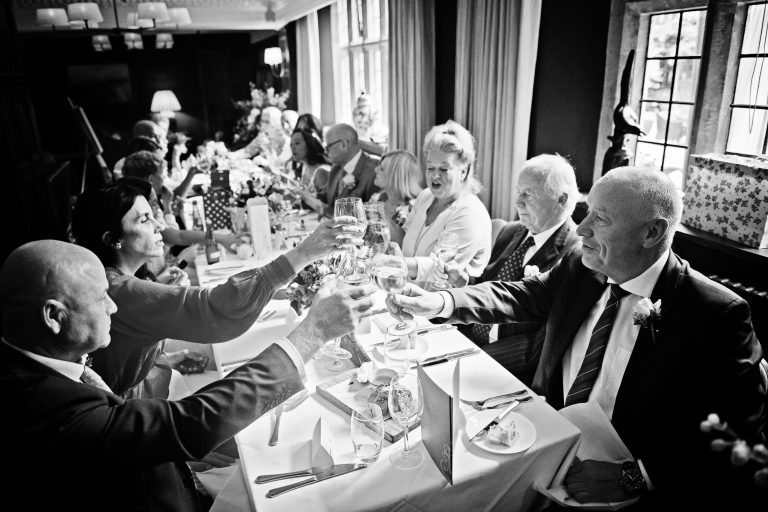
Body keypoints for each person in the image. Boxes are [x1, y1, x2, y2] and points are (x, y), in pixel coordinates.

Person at [390, 167, 765, 510]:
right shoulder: (582, 266)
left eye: (600, 219)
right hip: (546, 443)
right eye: (587, 212)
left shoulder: (715, 314)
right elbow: (522, 295)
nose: (581, 228)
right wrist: (439, 300)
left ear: (652, 232)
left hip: (626, 481)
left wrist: (635, 477)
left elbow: (740, 435)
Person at [0, 239, 376, 511]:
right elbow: (189, 424)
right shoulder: (41, 409)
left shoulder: (35, 363)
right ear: (53, 317)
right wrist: (309, 335)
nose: (114, 306)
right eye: (101, 298)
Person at [70, 179, 345, 398]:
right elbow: (215, 309)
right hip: (141, 411)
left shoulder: (115, 279)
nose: (158, 226)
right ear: (112, 239)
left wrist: (275, 290)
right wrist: (305, 252)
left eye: (153, 216)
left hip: (155, 382)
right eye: (143, 220)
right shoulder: (120, 291)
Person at [457, 154, 581, 385]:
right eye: (518, 192)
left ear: (561, 199)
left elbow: (541, 343)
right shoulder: (511, 232)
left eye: (529, 194)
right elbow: (487, 289)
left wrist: (475, 361)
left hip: (508, 374)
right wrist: (462, 283)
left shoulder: (574, 255)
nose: (518, 202)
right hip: (467, 348)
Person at [401, 120, 491, 288]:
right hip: (406, 295)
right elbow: (405, 244)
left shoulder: (470, 212)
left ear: (463, 171)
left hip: (444, 308)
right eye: (430, 168)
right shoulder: (425, 196)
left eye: (443, 169)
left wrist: (393, 265)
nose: (435, 176)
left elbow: (439, 269)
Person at [121, 152, 241, 252]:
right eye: (163, 174)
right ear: (151, 179)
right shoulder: (145, 206)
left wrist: (169, 208)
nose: (165, 177)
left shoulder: (147, 198)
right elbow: (176, 236)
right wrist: (221, 238)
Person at [319, 123, 381, 215]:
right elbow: (324, 197)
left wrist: (319, 207)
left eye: (328, 147)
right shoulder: (336, 168)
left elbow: (366, 216)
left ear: (343, 144)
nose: (326, 151)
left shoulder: (373, 172)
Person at [369, 150, 424, 245]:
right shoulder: (377, 198)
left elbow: (404, 246)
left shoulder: (414, 207)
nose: (375, 169)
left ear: (396, 176)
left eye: (382, 168)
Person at [290, 128, 331, 214]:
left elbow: (328, 207)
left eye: (297, 143)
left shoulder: (321, 172)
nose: (293, 148)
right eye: (291, 144)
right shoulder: (304, 168)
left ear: (309, 144)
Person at [352, 91, 387, 157]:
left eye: (363, 114)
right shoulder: (354, 131)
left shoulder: (381, 130)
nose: (360, 119)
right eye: (358, 114)